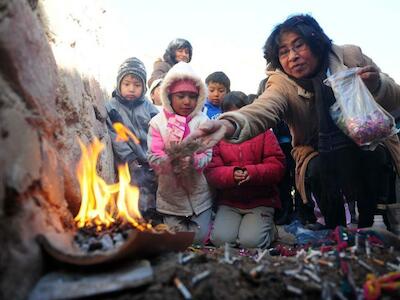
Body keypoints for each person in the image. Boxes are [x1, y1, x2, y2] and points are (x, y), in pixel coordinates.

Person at [188, 14, 400, 229]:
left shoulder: (350, 57)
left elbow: (395, 96)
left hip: (369, 138)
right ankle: (335, 231)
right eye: (284, 52)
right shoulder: (281, 82)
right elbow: (263, 108)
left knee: (374, 155)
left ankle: (372, 226)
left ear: (316, 42)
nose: (293, 56)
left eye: (299, 46)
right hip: (318, 150)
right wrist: (227, 124)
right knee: (318, 170)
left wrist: (375, 84)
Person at [205, 91, 285, 248]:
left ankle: (270, 231)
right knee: (221, 241)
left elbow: (277, 166)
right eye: (229, 115)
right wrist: (232, 174)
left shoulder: (264, 133)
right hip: (230, 201)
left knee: (251, 243)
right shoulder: (219, 138)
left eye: (239, 113)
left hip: (260, 200)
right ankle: (244, 229)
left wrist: (252, 173)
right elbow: (212, 172)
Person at [147, 61, 213, 244]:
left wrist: (193, 161)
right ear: (169, 95)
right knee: (177, 242)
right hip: (171, 199)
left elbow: (207, 155)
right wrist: (171, 162)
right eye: (181, 95)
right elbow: (153, 156)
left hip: (199, 198)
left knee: (198, 240)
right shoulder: (157, 123)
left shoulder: (203, 122)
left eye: (192, 96)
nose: (187, 101)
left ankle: (207, 220)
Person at [105, 57, 159, 217]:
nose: (131, 89)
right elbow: (115, 136)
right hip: (128, 161)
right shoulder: (112, 107)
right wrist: (130, 159)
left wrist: (155, 156)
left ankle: (153, 215)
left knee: (155, 186)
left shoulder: (149, 107)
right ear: (119, 84)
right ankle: (135, 218)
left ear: (143, 87)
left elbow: (157, 131)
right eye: (126, 84)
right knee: (135, 186)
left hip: (150, 158)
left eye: (137, 85)